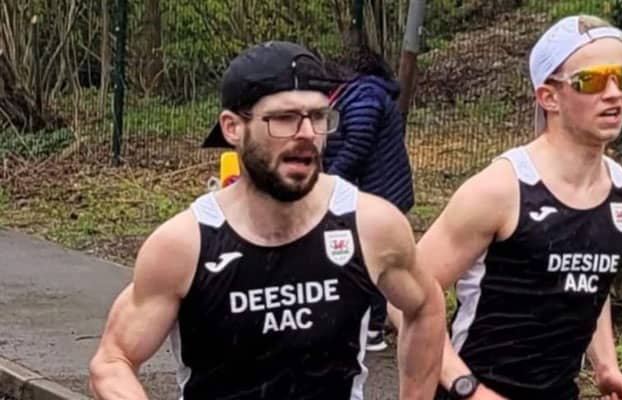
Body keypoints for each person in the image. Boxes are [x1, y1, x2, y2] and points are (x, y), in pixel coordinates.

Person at [88, 41, 445, 400]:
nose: (307, 133)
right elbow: (112, 362)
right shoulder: (186, 243)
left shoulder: (370, 225)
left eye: (319, 116)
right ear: (232, 128)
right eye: (284, 118)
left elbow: (426, 306)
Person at [417, 15, 622, 400]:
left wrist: (607, 365)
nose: (613, 94)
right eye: (592, 80)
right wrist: (467, 388)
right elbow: (406, 294)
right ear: (549, 97)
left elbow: (589, 281)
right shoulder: (499, 191)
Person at [323, 43, 415, 352]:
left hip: (381, 191)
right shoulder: (359, 94)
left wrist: (328, 180)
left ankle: (373, 327)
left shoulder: (364, 95)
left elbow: (357, 143)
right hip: (374, 190)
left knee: (374, 258)